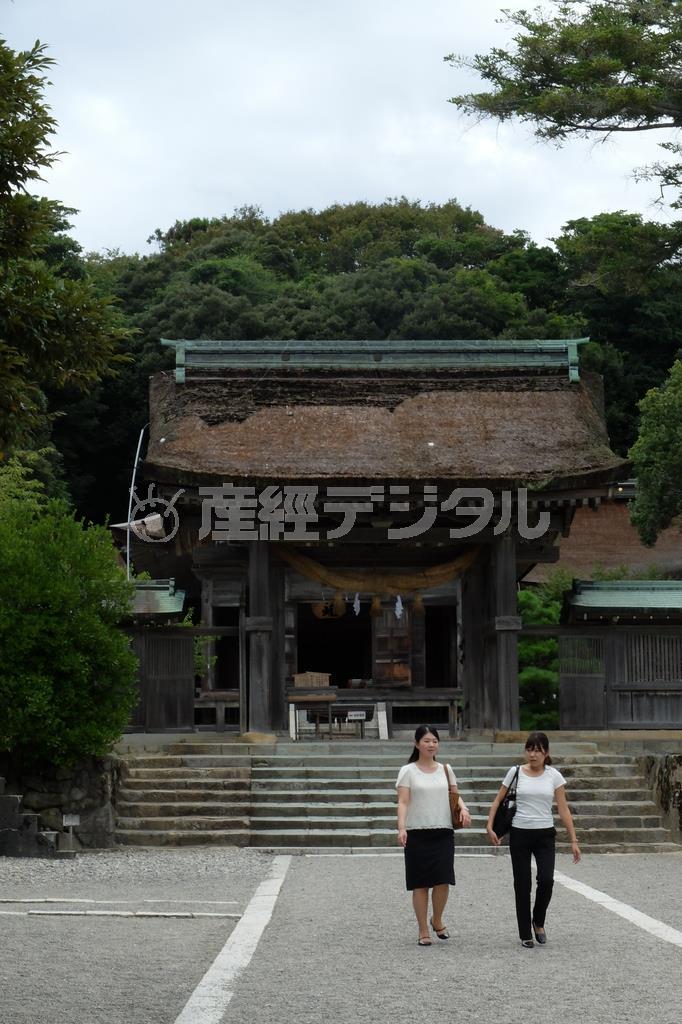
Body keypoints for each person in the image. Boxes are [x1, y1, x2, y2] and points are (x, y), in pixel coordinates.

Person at [486, 731, 581, 948]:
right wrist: (490, 826)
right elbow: (498, 800)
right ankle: (524, 933)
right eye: (530, 749)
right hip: (520, 832)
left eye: (538, 750)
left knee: (546, 880)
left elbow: (563, 809)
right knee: (522, 884)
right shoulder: (515, 772)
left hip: (545, 834)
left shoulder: (554, 776)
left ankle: (538, 920)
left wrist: (573, 840)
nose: (533, 754)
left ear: (546, 753)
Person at [396, 724, 472, 946]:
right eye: (427, 741)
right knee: (420, 884)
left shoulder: (445, 769)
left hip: (443, 830)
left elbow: (455, 795)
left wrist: (464, 809)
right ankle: (423, 930)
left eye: (434, 741)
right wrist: (401, 827)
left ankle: (436, 919)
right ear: (417, 743)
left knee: (443, 881)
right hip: (417, 832)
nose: (431, 744)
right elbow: (402, 802)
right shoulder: (408, 771)